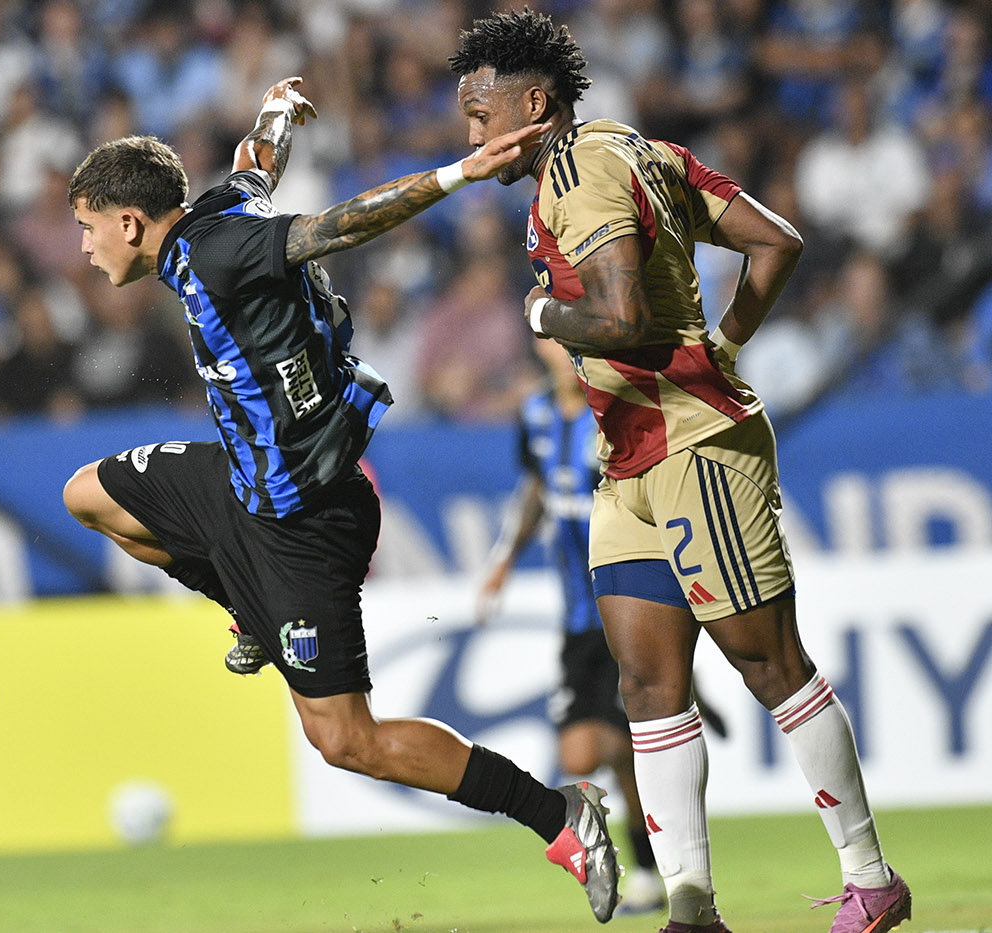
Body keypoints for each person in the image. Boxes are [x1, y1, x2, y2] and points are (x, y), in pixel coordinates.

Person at [63, 77, 622, 923]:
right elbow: (256, 165)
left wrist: (458, 174)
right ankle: (247, 609)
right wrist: (277, 114)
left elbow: (336, 226)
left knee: (344, 741)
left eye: (86, 229)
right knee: (91, 494)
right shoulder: (213, 219)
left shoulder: (219, 253)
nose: (83, 247)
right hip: (243, 485)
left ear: (129, 222)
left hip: (306, 518)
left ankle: (558, 813)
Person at [448, 10, 909, 933]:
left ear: (533, 104)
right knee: (647, 688)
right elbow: (776, 240)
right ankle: (692, 909)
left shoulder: (582, 170)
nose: (470, 138)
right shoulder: (642, 150)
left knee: (765, 660)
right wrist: (730, 338)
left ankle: (870, 876)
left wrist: (541, 317)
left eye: (478, 113)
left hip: (694, 443)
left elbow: (620, 319)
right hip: (628, 460)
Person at [477, 338, 666, 916]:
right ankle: (654, 861)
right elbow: (536, 488)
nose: (558, 351)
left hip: (625, 603)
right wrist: (505, 559)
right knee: (592, 756)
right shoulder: (533, 413)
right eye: (548, 340)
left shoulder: (610, 409)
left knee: (588, 753)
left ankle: (657, 870)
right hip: (575, 617)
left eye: (565, 340)